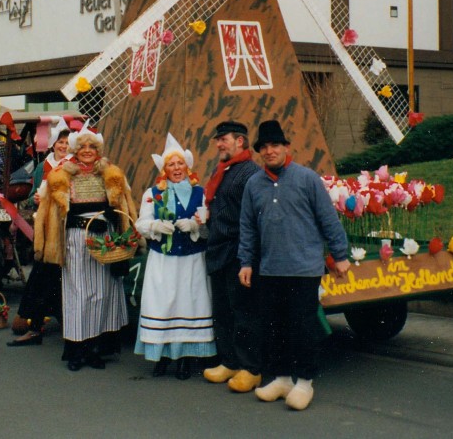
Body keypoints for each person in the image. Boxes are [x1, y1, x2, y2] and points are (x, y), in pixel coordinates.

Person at [238, 120, 351, 411]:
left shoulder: (307, 179)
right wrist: (246, 262)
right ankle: (283, 378)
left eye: (275, 145)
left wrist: (340, 255)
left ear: (286, 147)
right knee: (274, 327)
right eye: (264, 147)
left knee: (302, 327)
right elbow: (248, 227)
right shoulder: (253, 185)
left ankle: (304, 382)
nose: (270, 151)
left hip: (303, 269)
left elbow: (329, 219)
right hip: (270, 269)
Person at [33, 125, 137, 371]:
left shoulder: (112, 174)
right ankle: (77, 350)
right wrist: (45, 242)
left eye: (92, 147)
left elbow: (125, 206)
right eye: (82, 147)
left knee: (101, 293)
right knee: (78, 294)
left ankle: (95, 349)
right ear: (74, 150)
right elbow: (47, 212)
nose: (87, 151)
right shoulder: (61, 175)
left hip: (106, 241)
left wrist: (123, 229)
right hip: (76, 239)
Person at [133, 133, 215, 379]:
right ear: (164, 169)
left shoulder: (200, 192)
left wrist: (195, 226)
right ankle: (162, 357)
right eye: (171, 164)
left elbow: (208, 227)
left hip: (191, 259)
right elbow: (141, 223)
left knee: (189, 303)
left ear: (187, 166)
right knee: (164, 304)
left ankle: (186, 359)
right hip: (164, 259)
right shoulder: (153, 193)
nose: (176, 168)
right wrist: (156, 226)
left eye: (180, 163)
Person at [201, 121, 263, 392]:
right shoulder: (222, 170)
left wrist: (249, 257)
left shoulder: (251, 173)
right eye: (217, 140)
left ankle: (251, 368)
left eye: (223, 139)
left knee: (244, 312)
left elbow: (255, 219)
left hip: (238, 252)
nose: (218, 144)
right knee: (223, 311)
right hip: (218, 248)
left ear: (240, 141)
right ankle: (230, 360)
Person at [8, 118, 73, 346]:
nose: (63, 146)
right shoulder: (41, 167)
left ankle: (65, 325)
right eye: (60, 142)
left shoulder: (73, 166)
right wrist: (36, 197)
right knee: (43, 275)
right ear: (53, 144)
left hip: (66, 227)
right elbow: (35, 192)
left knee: (62, 277)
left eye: (67, 142)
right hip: (46, 228)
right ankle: (36, 325)